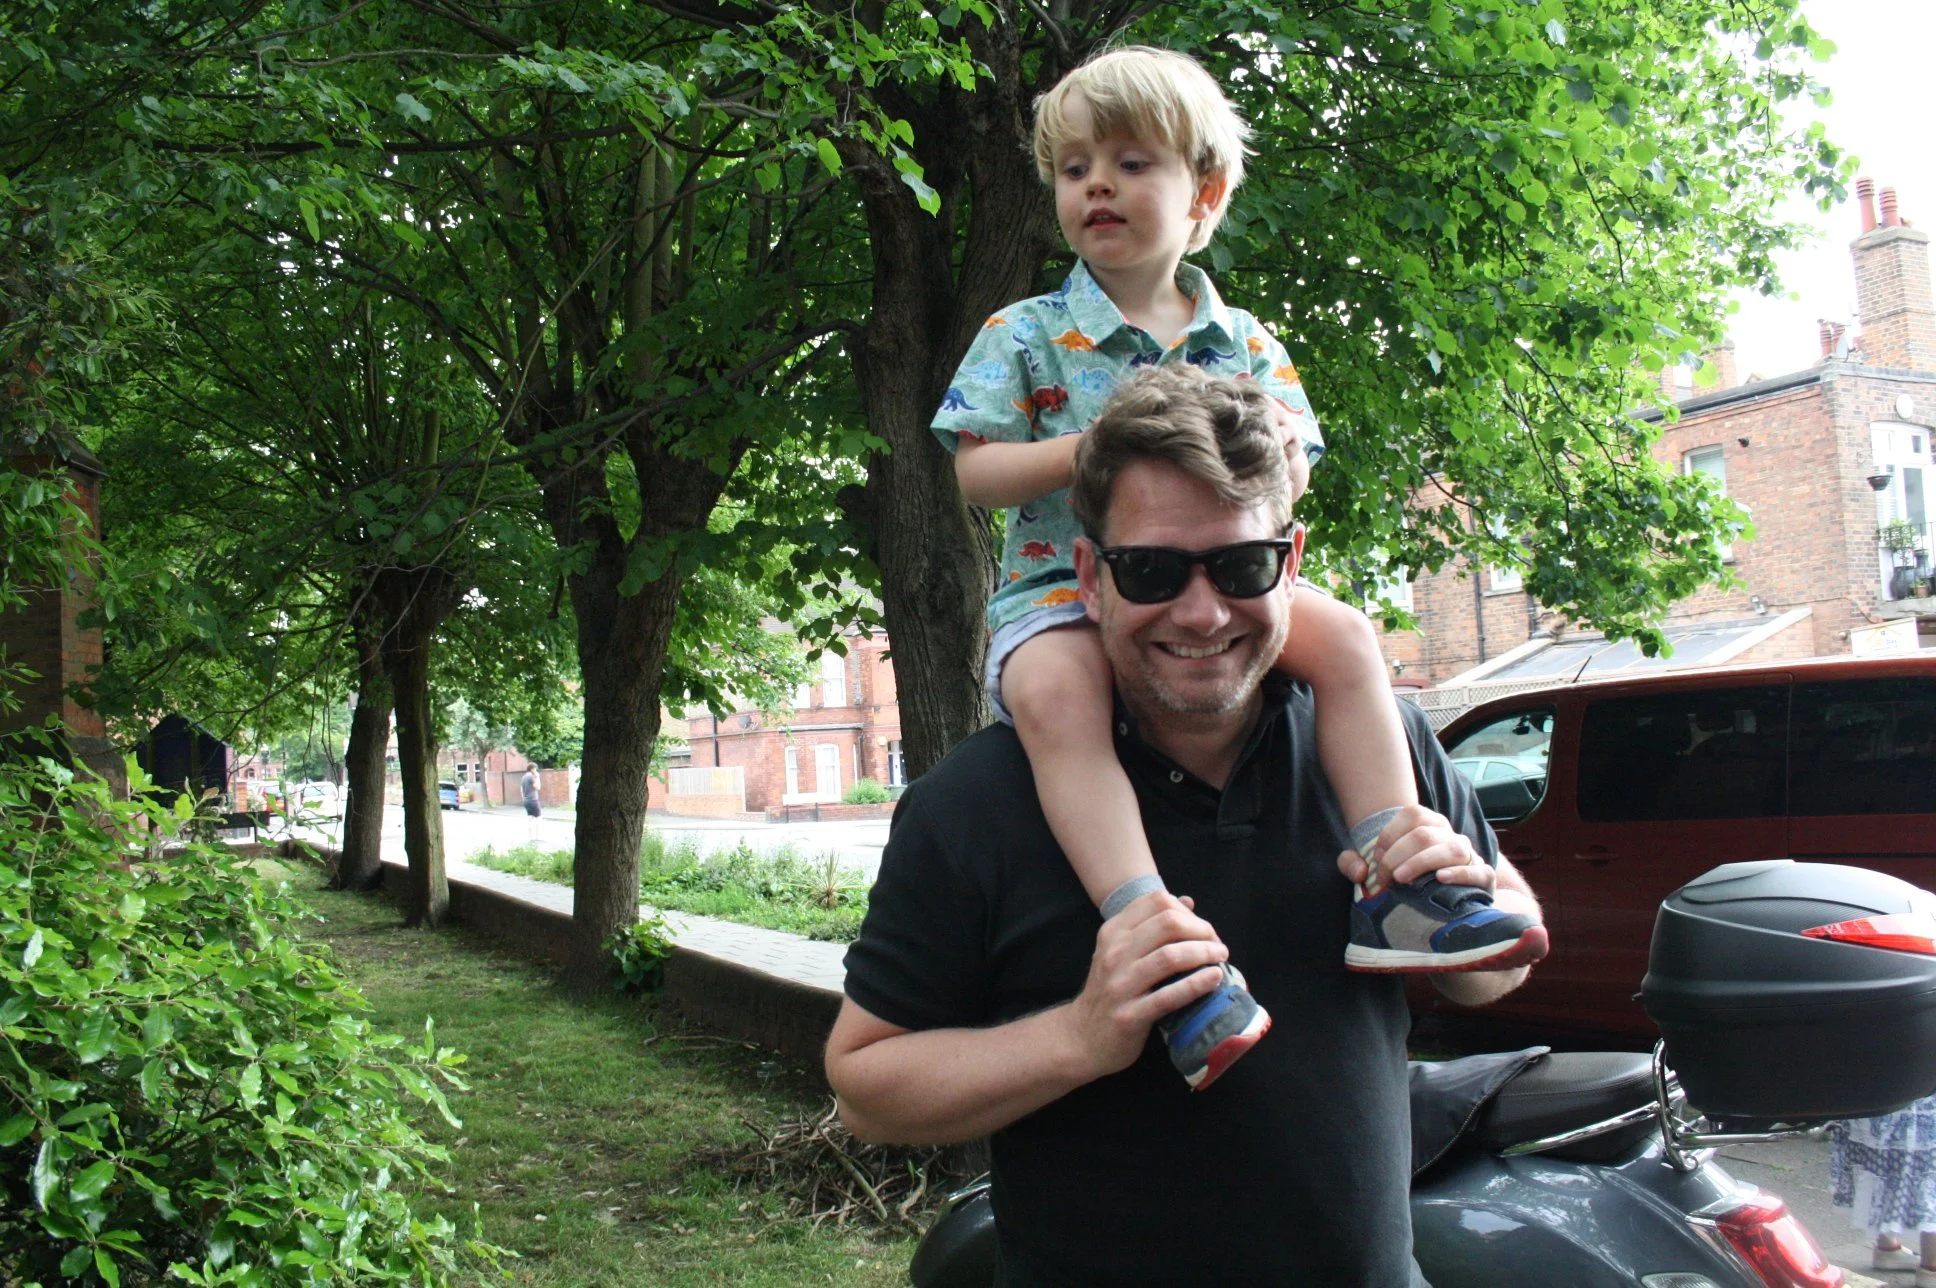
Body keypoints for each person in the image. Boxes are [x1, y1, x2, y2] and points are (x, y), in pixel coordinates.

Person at [828, 366, 1544, 1286]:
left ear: (1291, 563)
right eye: (1152, 570)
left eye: (1241, 566)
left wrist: (1480, 899)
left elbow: (1498, 969)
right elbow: (867, 1090)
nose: (1202, 613)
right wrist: (1077, 1038)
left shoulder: (1381, 744)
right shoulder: (975, 803)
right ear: (1090, 578)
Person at [932, 45, 1542, 1091]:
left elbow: (1292, 468)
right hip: (1065, 594)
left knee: (1346, 637)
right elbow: (975, 473)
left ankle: (1396, 872)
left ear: (1203, 194)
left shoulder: (1244, 341)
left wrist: (1259, 468)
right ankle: (1153, 932)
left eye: (1131, 163)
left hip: (1225, 576)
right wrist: (1100, 447)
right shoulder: (1024, 334)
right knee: (1055, 692)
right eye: (1075, 169)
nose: (1097, 186)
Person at [1830, 1093, 1936, 1283]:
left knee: (1884, 1159)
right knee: (1925, 1167)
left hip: (1871, 1097)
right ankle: (1932, 1267)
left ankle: (1888, 1249)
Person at [520, 766, 541, 839]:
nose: (536, 770)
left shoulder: (523, 777)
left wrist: (524, 799)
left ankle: (530, 837)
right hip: (533, 800)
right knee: (538, 818)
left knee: (530, 818)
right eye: (535, 769)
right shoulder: (531, 777)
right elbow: (538, 787)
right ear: (532, 769)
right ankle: (537, 837)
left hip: (526, 800)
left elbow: (521, 790)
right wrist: (538, 777)